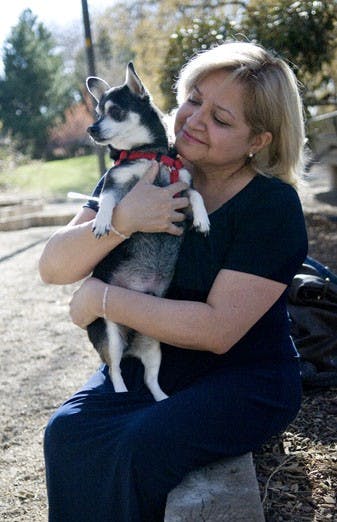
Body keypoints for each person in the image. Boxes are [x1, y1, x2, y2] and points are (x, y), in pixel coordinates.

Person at [39, 41, 308, 522]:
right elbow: (54, 267)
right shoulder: (139, 171)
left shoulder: (272, 207)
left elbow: (215, 331)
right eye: (194, 99)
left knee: (138, 446)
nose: (195, 120)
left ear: (259, 140)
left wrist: (102, 297)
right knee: (66, 432)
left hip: (244, 378)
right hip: (157, 367)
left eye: (222, 119)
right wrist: (125, 217)